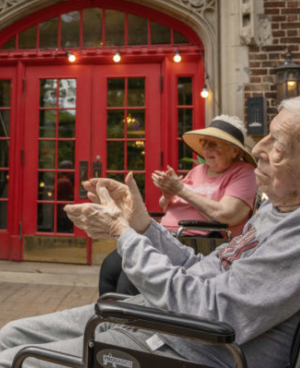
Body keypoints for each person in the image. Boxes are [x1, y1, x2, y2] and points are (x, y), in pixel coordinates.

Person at [0, 93, 300, 368]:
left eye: (277, 143)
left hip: (192, 350)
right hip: (167, 322)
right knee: (12, 334)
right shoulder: (285, 206)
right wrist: (141, 223)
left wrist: (121, 234)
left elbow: (212, 312)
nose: (259, 148)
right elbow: (205, 269)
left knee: (16, 360)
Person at [99, 115, 258, 296]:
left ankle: (126, 321)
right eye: (204, 143)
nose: (206, 148)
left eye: (214, 144)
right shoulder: (198, 170)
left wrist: (180, 190)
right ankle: (107, 318)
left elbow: (228, 214)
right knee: (110, 268)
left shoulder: (243, 173)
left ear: (234, 150)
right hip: (163, 235)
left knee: (130, 276)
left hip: (198, 244)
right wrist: (168, 195)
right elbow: (168, 206)